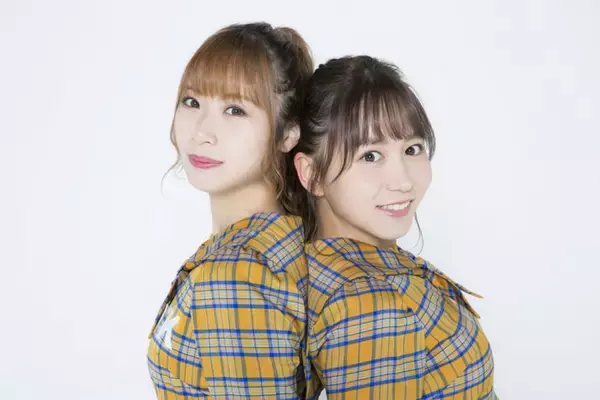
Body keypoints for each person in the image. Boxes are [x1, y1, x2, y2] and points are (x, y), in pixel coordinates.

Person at [288, 55, 497, 399]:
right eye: (370, 155)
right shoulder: (366, 302)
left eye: (412, 149)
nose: (403, 181)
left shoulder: (356, 270)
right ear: (312, 174)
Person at [147, 22, 317, 399]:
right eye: (192, 102)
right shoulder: (285, 238)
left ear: (288, 133)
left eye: (235, 110)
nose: (202, 132)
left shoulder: (237, 276)